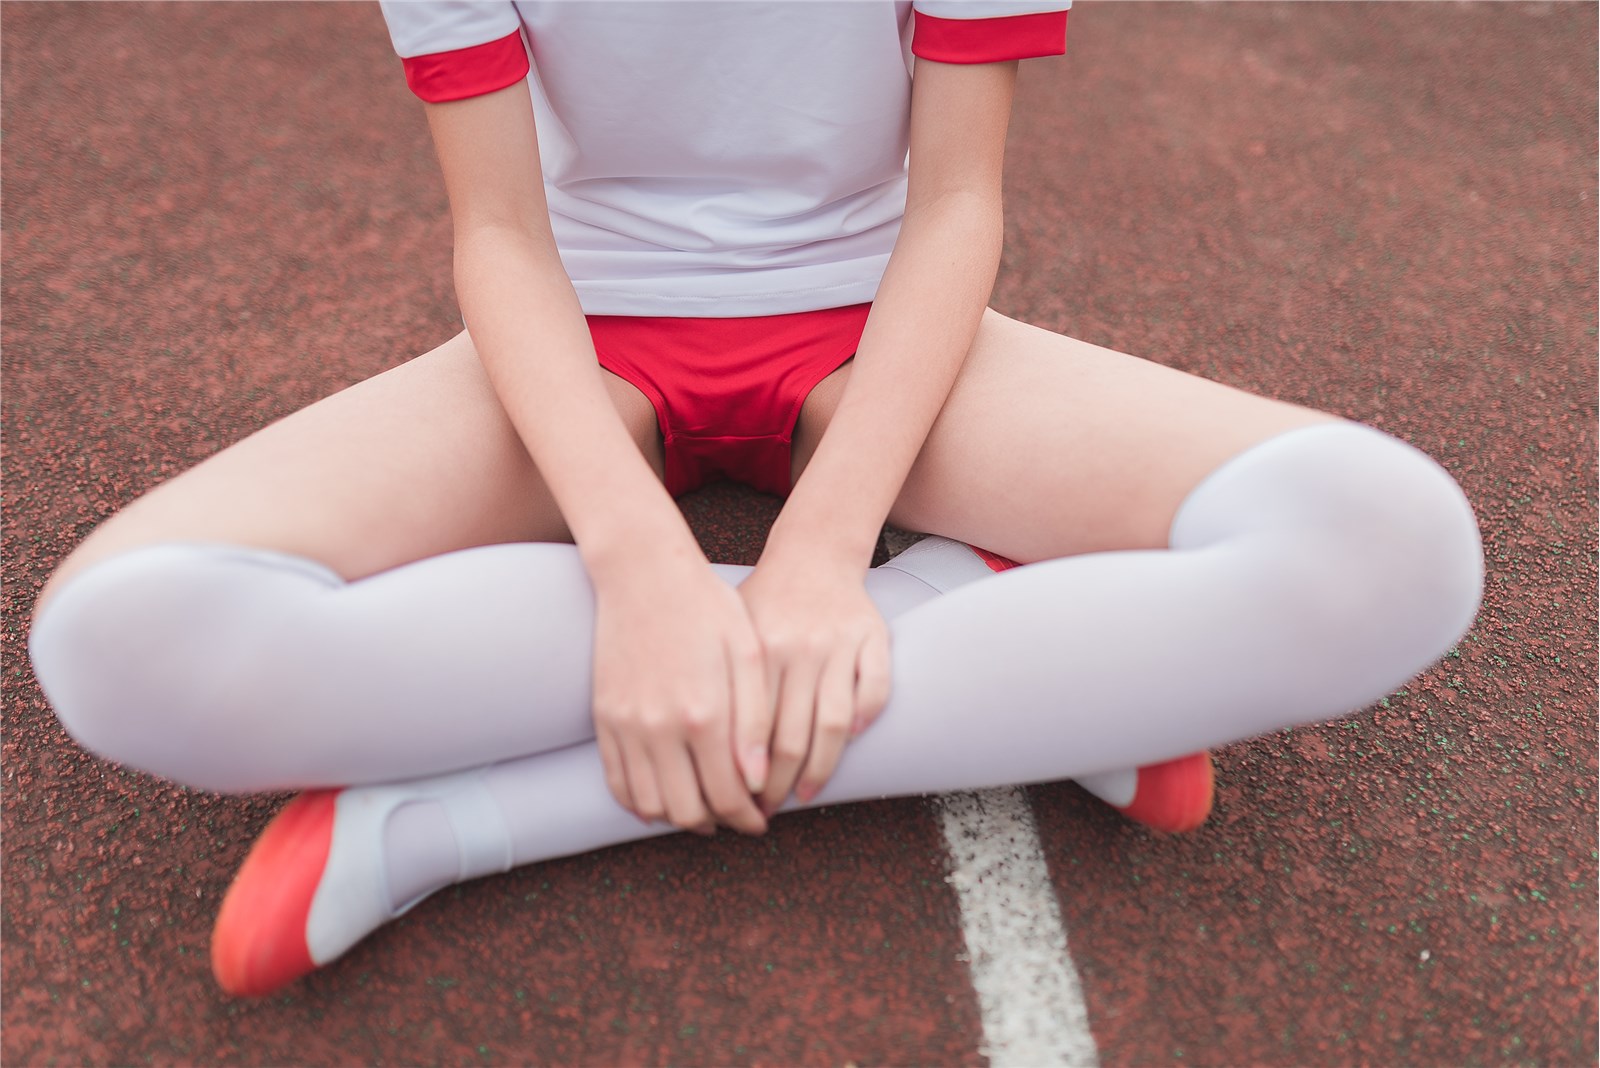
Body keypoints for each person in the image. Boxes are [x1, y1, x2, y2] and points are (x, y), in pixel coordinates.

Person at [26, 0, 1484, 999]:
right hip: (580, 339)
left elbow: (959, 204)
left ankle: (469, 825)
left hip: (872, 323)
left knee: (1393, 545)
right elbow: (500, 236)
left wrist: (825, 556)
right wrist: (642, 566)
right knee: (122, 642)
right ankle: (1022, 651)